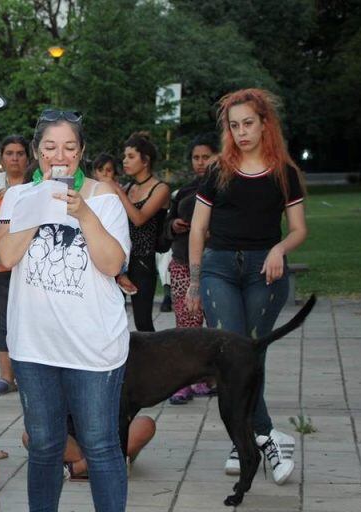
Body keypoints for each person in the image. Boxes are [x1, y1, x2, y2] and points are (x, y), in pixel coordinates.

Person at [0, 110, 131, 511]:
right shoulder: (19, 196)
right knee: (44, 446)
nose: (60, 156)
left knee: (101, 445)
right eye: (50, 147)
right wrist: (40, 205)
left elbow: (111, 264)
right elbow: (5, 255)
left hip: (93, 349)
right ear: (37, 153)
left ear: (81, 151)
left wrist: (83, 213)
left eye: (69, 147)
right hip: (34, 349)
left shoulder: (104, 197)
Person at [187, 88, 307, 485]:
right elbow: (198, 230)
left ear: (264, 124)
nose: (241, 132)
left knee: (253, 353)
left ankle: (246, 441)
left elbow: (299, 230)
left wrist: (279, 248)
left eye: (248, 124)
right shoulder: (217, 170)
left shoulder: (284, 172)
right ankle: (262, 435)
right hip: (219, 268)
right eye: (234, 125)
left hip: (265, 271)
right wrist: (194, 280)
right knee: (232, 355)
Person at [166, 133, 219, 405]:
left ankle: (208, 377)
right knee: (186, 324)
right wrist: (174, 224)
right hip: (183, 263)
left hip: (215, 265)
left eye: (206, 157)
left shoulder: (224, 188)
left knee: (214, 324)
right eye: (196, 158)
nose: (200, 162)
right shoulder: (184, 191)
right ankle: (184, 381)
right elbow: (167, 227)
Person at [0, 134, 30, 397]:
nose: (14, 158)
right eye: (9, 153)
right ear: (1, 158)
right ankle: (5, 376)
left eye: (20, 153)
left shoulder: (35, 186)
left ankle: (27, 375)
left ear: (27, 157)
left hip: (23, 264)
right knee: (2, 323)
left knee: (26, 321)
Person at [112, 133, 170, 332]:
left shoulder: (160, 188)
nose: (125, 161)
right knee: (113, 318)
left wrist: (118, 193)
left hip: (143, 261)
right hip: (120, 261)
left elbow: (139, 219)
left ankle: (153, 362)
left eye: (130, 156)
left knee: (143, 321)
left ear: (145, 160)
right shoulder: (128, 188)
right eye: (124, 156)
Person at [21, 415, 156, 481]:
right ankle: (99, 463)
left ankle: (76, 468)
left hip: (111, 439)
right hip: (70, 439)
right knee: (30, 435)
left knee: (145, 424)